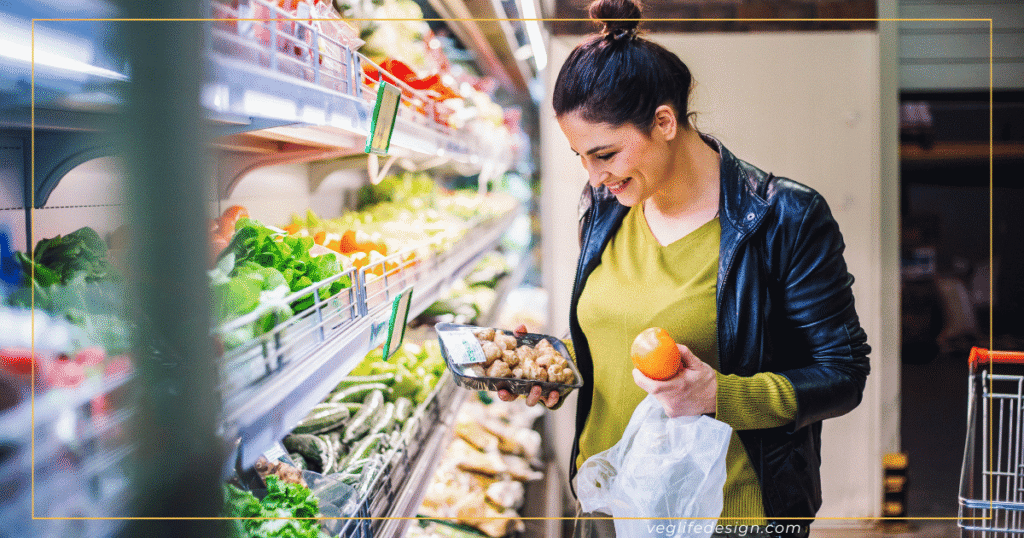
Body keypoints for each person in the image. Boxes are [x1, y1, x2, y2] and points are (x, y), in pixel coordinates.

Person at [498, 0, 871, 536]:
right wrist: (555, 365)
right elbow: (618, 331)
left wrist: (720, 396)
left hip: (725, 517)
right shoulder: (606, 208)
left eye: (604, 153)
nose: (594, 174)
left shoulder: (783, 217)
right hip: (609, 500)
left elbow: (843, 372)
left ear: (665, 122)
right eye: (580, 156)